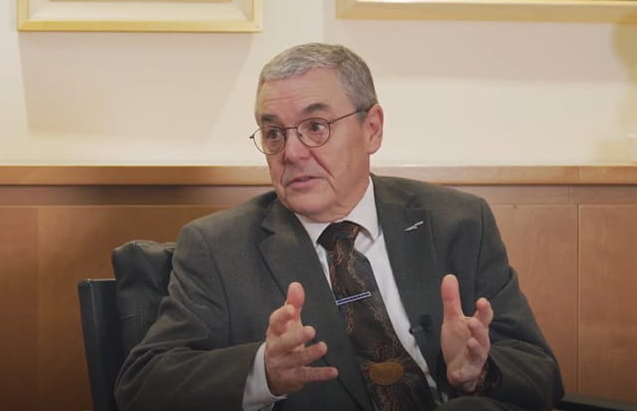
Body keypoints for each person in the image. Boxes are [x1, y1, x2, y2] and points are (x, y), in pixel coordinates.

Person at [115, 43, 564, 411]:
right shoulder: (218, 247)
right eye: (273, 133)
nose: (291, 152)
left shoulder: (457, 222)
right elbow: (144, 386)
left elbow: (541, 375)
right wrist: (262, 371)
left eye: (315, 127)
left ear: (371, 129)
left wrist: (479, 373)